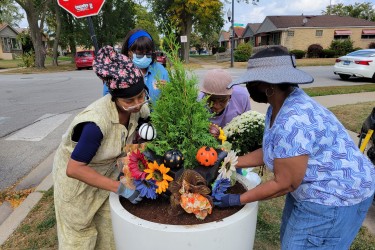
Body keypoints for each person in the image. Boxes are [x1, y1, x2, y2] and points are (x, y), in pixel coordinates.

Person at [214, 46, 375, 249]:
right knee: (290, 241)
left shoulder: (293, 120)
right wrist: (228, 159)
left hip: (334, 197)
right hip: (312, 187)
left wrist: (236, 199)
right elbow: (274, 150)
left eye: (251, 81)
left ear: (267, 85)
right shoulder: (278, 105)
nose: (248, 86)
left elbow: (285, 183)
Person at [53, 45, 149, 249]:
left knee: (109, 231)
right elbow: (74, 168)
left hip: (105, 176)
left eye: (140, 96)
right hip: (77, 185)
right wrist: (120, 188)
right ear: (114, 97)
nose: (137, 104)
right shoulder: (95, 124)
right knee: (80, 237)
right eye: (129, 100)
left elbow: (138, 136)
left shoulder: (138, 109)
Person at [103, 29, 169, 103]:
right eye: (139, 54)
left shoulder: (160, 70)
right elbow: (108, 100)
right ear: (129, 53)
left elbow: (170, 96)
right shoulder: (117, 72)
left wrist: (168, 90)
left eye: (148, 54)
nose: (144, 57)